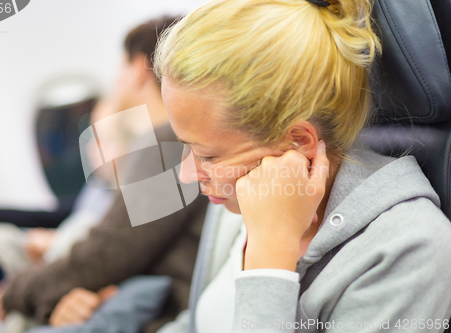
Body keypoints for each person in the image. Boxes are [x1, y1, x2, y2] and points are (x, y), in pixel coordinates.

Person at [152, 0, 451, 332]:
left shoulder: (408, 252)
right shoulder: (241, 196)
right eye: (187, 147)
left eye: (207, 156)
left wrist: (270, 256)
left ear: (298, 141)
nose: (187, 174)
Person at [0, 15, 209, 333]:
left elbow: (106, 254)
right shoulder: (178, 141)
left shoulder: (167, 143)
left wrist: (17, 291)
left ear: (136, 68)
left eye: (119, 67)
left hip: (157, 312)